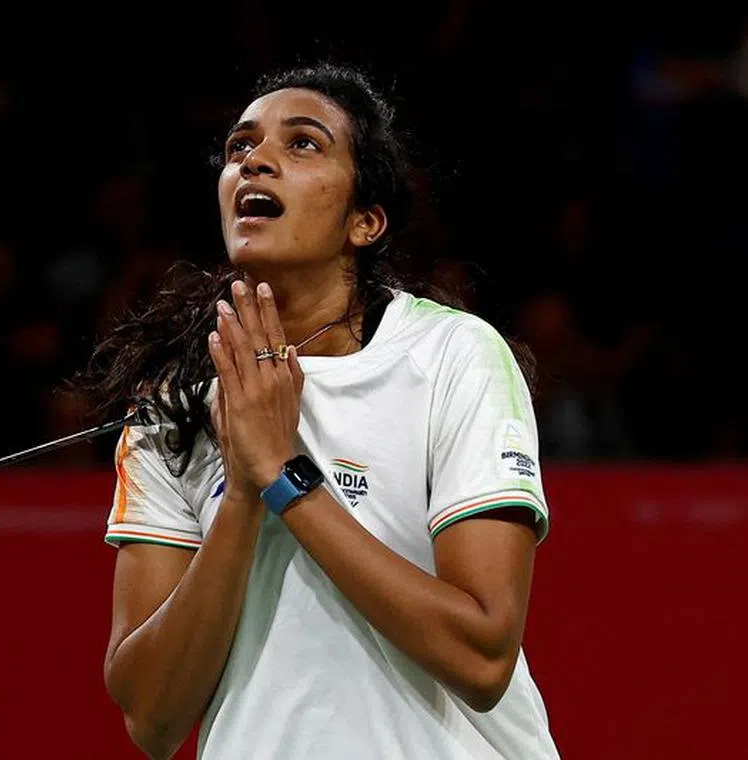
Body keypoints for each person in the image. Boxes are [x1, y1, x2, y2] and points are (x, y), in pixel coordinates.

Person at [77, 63, 560, 759]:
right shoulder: (174, 402)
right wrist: (242, 492)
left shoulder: (453, 356)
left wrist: (283, 473)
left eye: (302, 143)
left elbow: (483, 657)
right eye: (240, 146)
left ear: (364, 221)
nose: (256, 160)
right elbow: (150, 719)